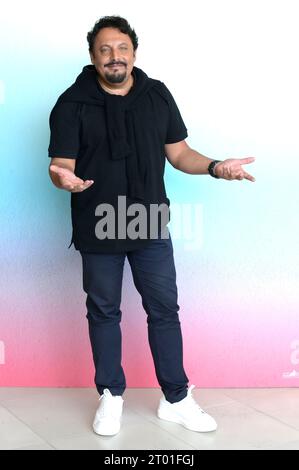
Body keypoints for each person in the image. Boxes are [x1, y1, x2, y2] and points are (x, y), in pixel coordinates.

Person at [48, 15, 255, 437]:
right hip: (99, 220)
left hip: (148, 219)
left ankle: (176, 398)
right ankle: (110, 396)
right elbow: (62, 165)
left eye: (121, 48)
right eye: (104, 49)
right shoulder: (71, 104)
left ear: (134, 52)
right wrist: (62, 178)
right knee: (103, 311)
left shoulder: (156, 96)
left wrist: (217, 167)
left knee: (164, 310)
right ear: (93, 57)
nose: (114, 56)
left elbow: (179, 154)